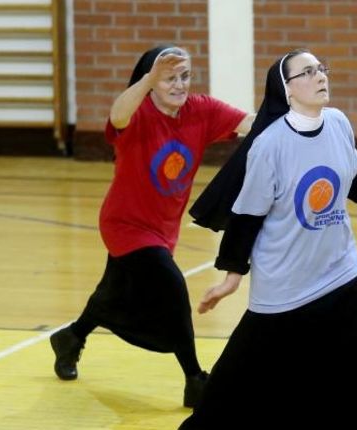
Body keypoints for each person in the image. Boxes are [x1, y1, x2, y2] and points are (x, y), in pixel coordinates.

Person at [179, 49, 357, 429]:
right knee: (233, 393)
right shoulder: (270, 145)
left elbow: (356, 172)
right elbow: (246, 215)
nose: (320, 76)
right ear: (286, 90)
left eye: (321, 68)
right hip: (285, 290)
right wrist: (231, 276)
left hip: (343, 273)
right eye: (306, 72)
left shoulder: (338, 123)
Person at [49, 45, 255, 408]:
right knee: (171, 285)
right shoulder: (137, 113)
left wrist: (295, 115)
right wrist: (147, 79)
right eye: (169, 78)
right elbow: (117, 113)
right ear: (151, 82)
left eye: (184, 76)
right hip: (125, 223)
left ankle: (71, 337)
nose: (179, 85)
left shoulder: (201, 111)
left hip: (163, 228)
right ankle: (195, 378)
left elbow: (251, 124)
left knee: (111, 294)